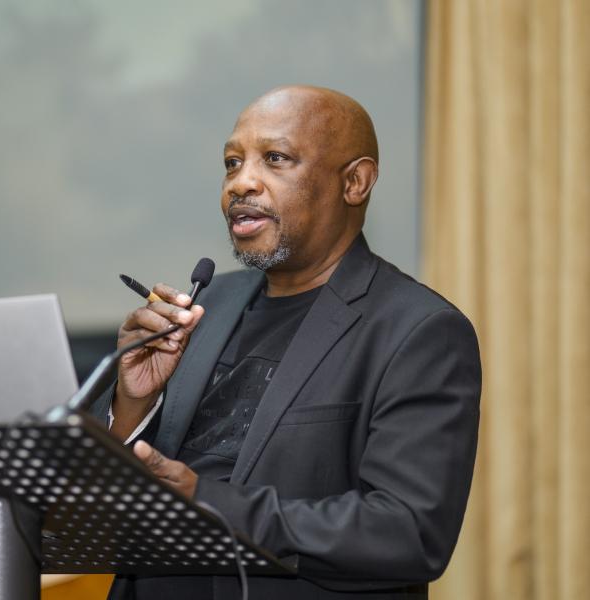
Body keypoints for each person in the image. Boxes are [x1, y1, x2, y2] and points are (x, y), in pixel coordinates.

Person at [93, 86, 481, 599]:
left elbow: (408, 532)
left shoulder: (418, 330)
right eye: (232, 163)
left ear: (355, 182)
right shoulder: (202, 309)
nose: (241, 183)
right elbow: (110, 492)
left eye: (275, 159)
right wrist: (133, 401)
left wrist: (210, 502)